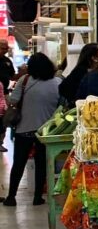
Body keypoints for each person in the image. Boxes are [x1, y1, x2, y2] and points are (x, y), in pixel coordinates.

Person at [4, 53, 60, 206]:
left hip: (24, 129)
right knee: (42, 164)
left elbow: (13, 101)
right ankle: (37, 197)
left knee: (19, 164)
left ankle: (11, 196)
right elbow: (61, 105)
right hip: (46, 131)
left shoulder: (25, 80)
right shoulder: (57, 83)